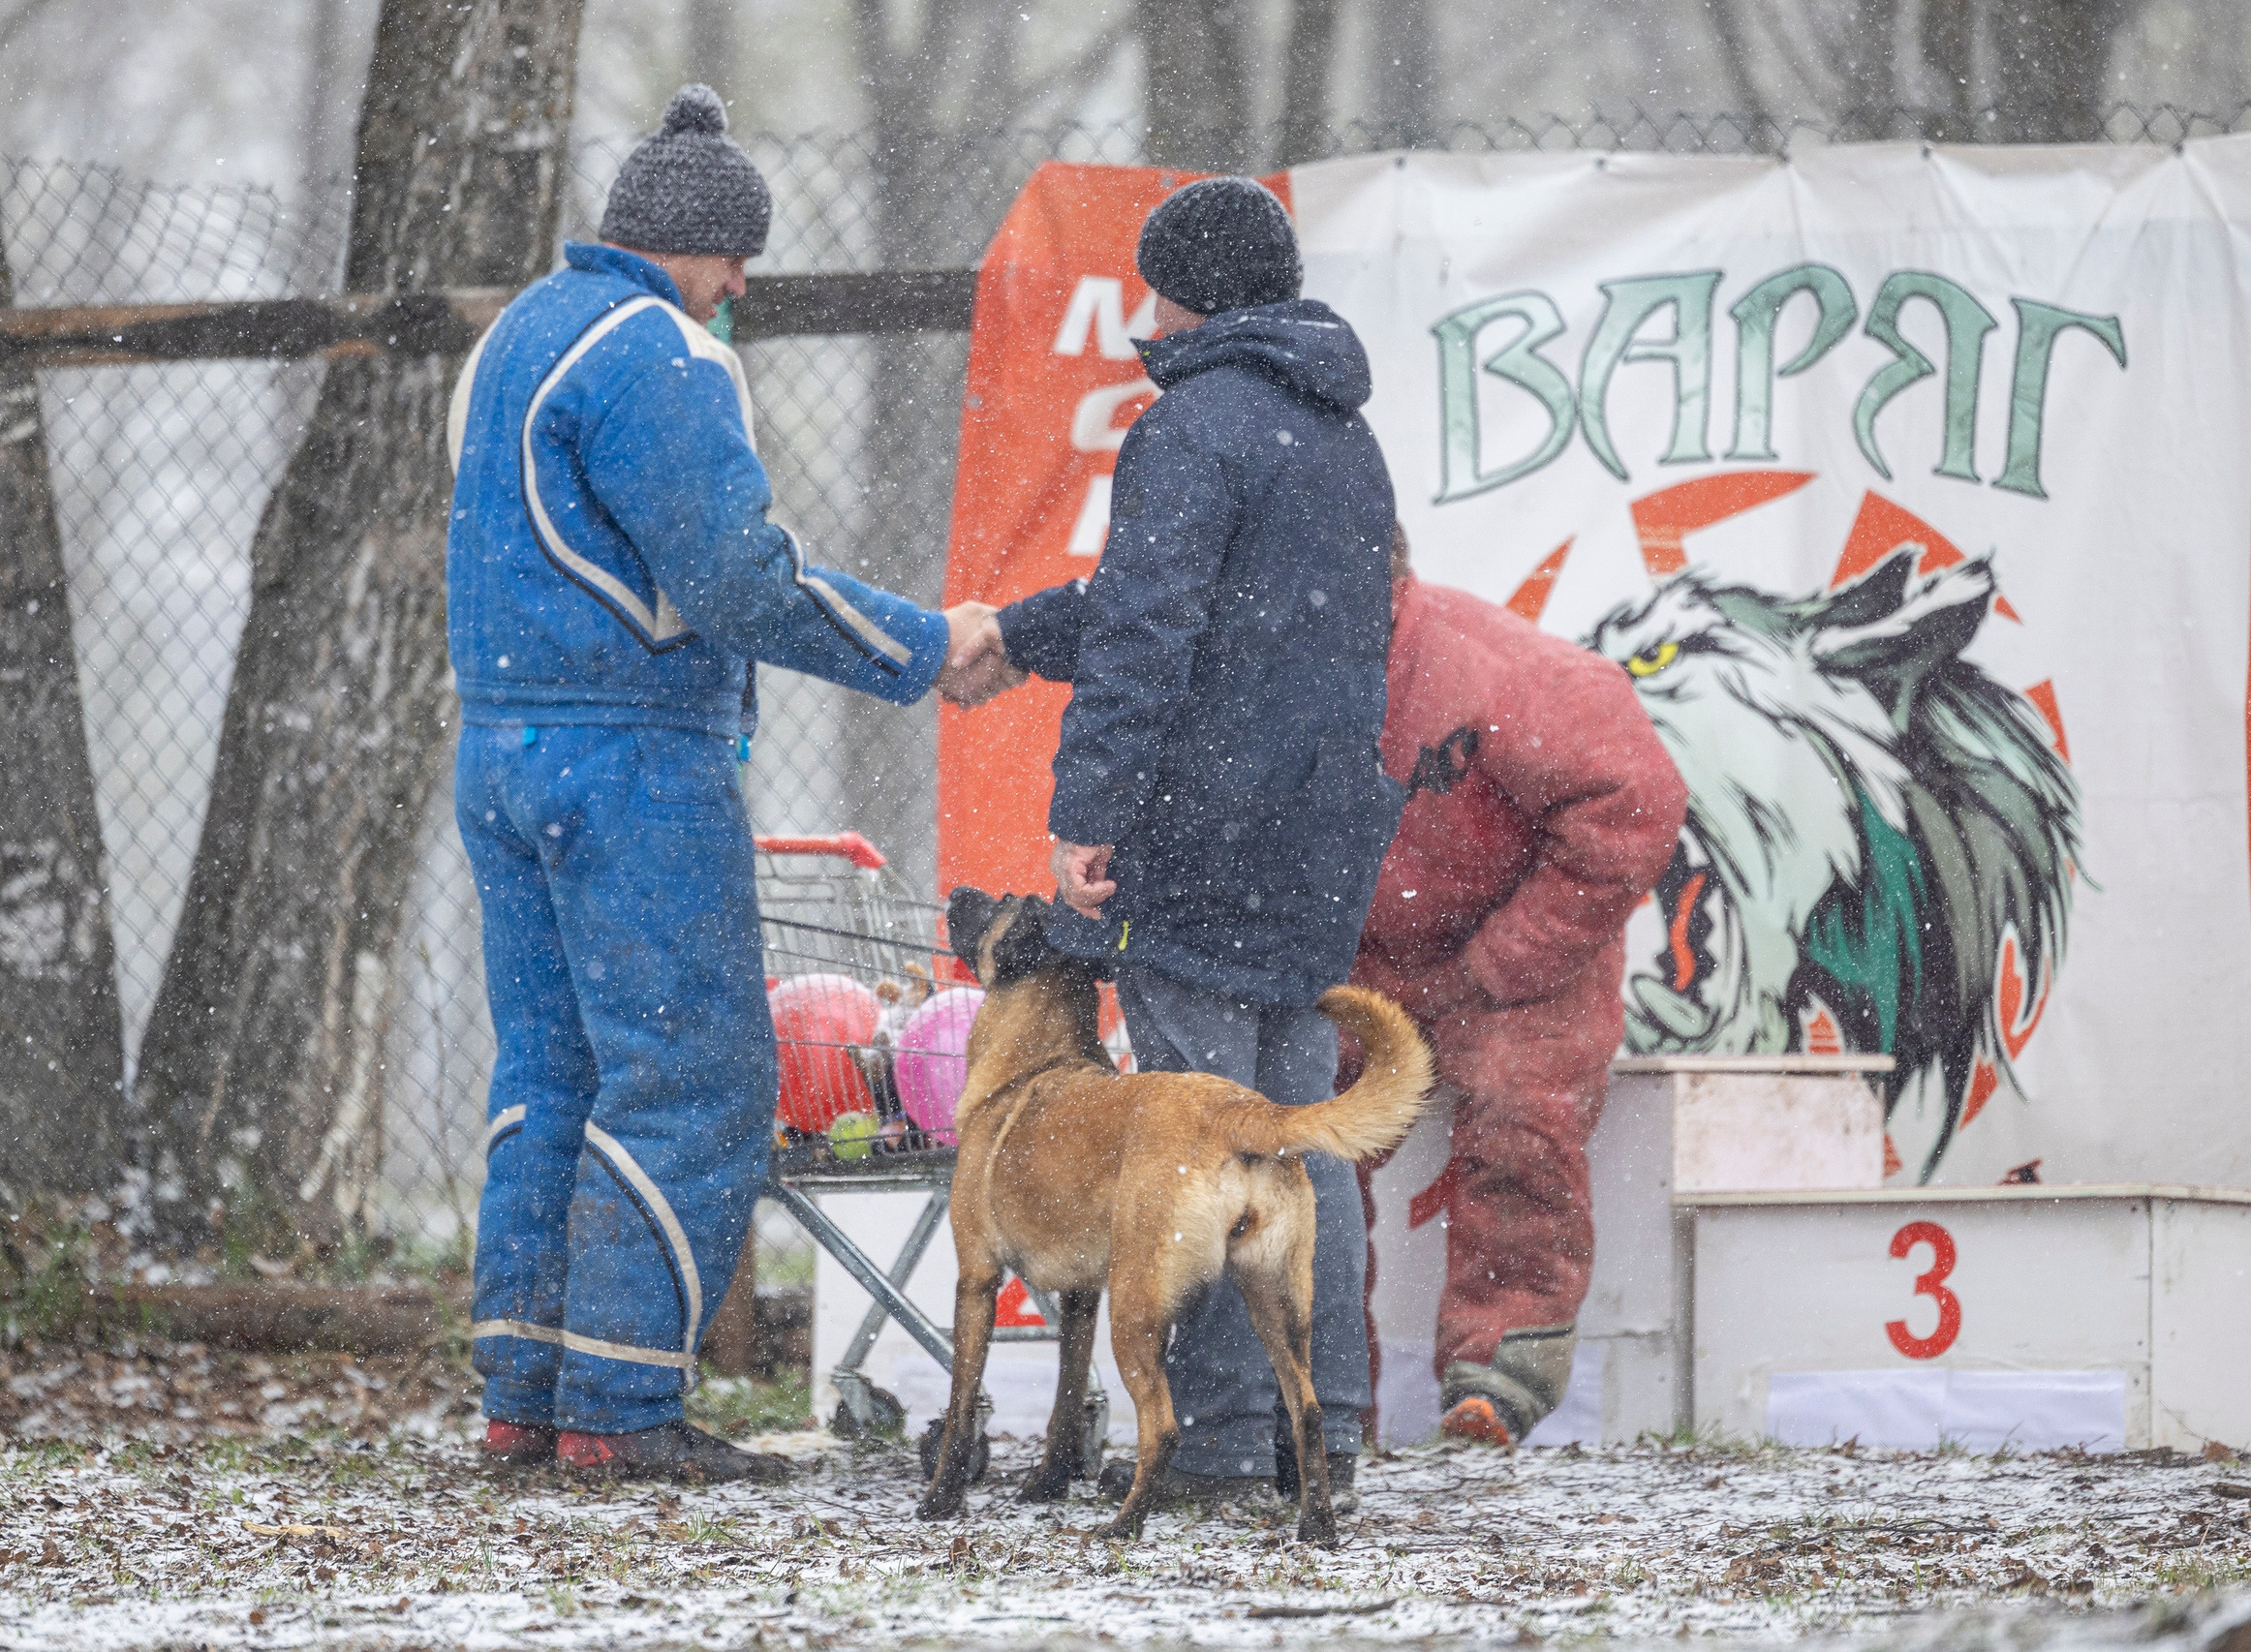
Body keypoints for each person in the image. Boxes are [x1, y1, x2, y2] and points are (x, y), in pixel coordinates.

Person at [446, 83, 1011, 1484]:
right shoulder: (663, 354)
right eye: (734, 257)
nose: (741, 285)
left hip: (500, 745)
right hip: (631, 758)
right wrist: (928, 647)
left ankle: (526, 1390)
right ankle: (623, 1411)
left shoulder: (515, 336)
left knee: (552, 1067)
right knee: (691, 1072)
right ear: (689, 246)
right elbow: (738, 579)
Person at [963, 176, 1405, 1508]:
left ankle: (1208, 1444)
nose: (1147, 311)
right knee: (1292, 1141)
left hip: (1202, 841)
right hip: (1312, 840)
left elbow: (1153, 629)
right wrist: (1021, 633)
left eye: (1158, 287)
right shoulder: (1344, 434)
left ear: (1190, 293)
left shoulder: (1190, 427)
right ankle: (1316, 1433)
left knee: (1194, 1156)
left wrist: (1087, 816)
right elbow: (1227, 607)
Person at [1348, 545, 1686, 1447]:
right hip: (1366, 952)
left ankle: (1501, 1370)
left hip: (1527, 949)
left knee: (1517, 1108)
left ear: (1386, 587)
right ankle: (1319, 1384)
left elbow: (1636, 805)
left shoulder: (1504, 672)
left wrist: (1500, 963)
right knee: (1303, 1123)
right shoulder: (1276, 666)